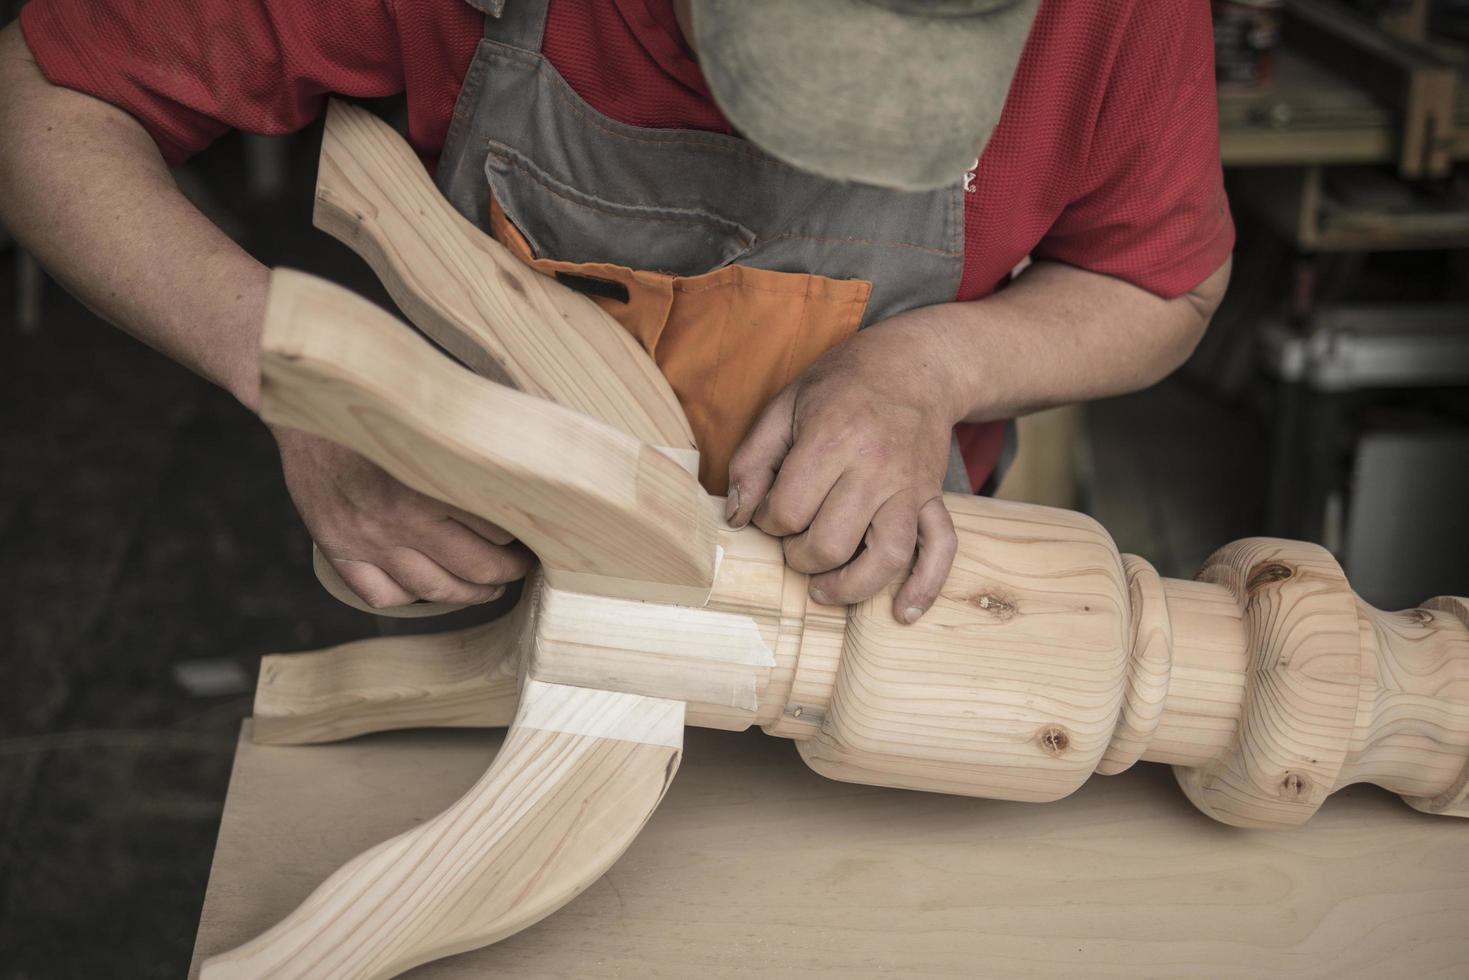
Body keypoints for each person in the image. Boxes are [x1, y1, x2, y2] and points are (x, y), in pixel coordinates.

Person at [0, 0, 1232, 624]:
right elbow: (37, 100)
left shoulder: (1111, 14)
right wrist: (304, 386)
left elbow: (1164, 280)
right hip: (479, 603)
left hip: (866, 620)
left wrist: (931, 368)